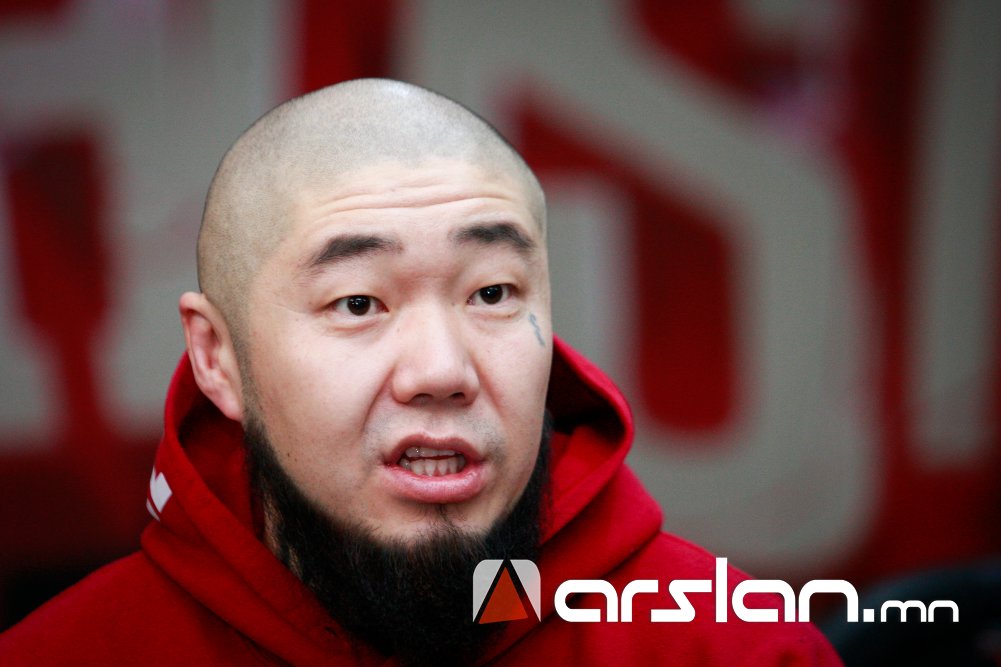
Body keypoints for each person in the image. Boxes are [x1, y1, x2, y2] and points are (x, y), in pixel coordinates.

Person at [0, 79, 842, 666]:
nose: (441, 370)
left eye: (492, 292)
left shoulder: (729, 647)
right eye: (358, 302)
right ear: (217, 358)